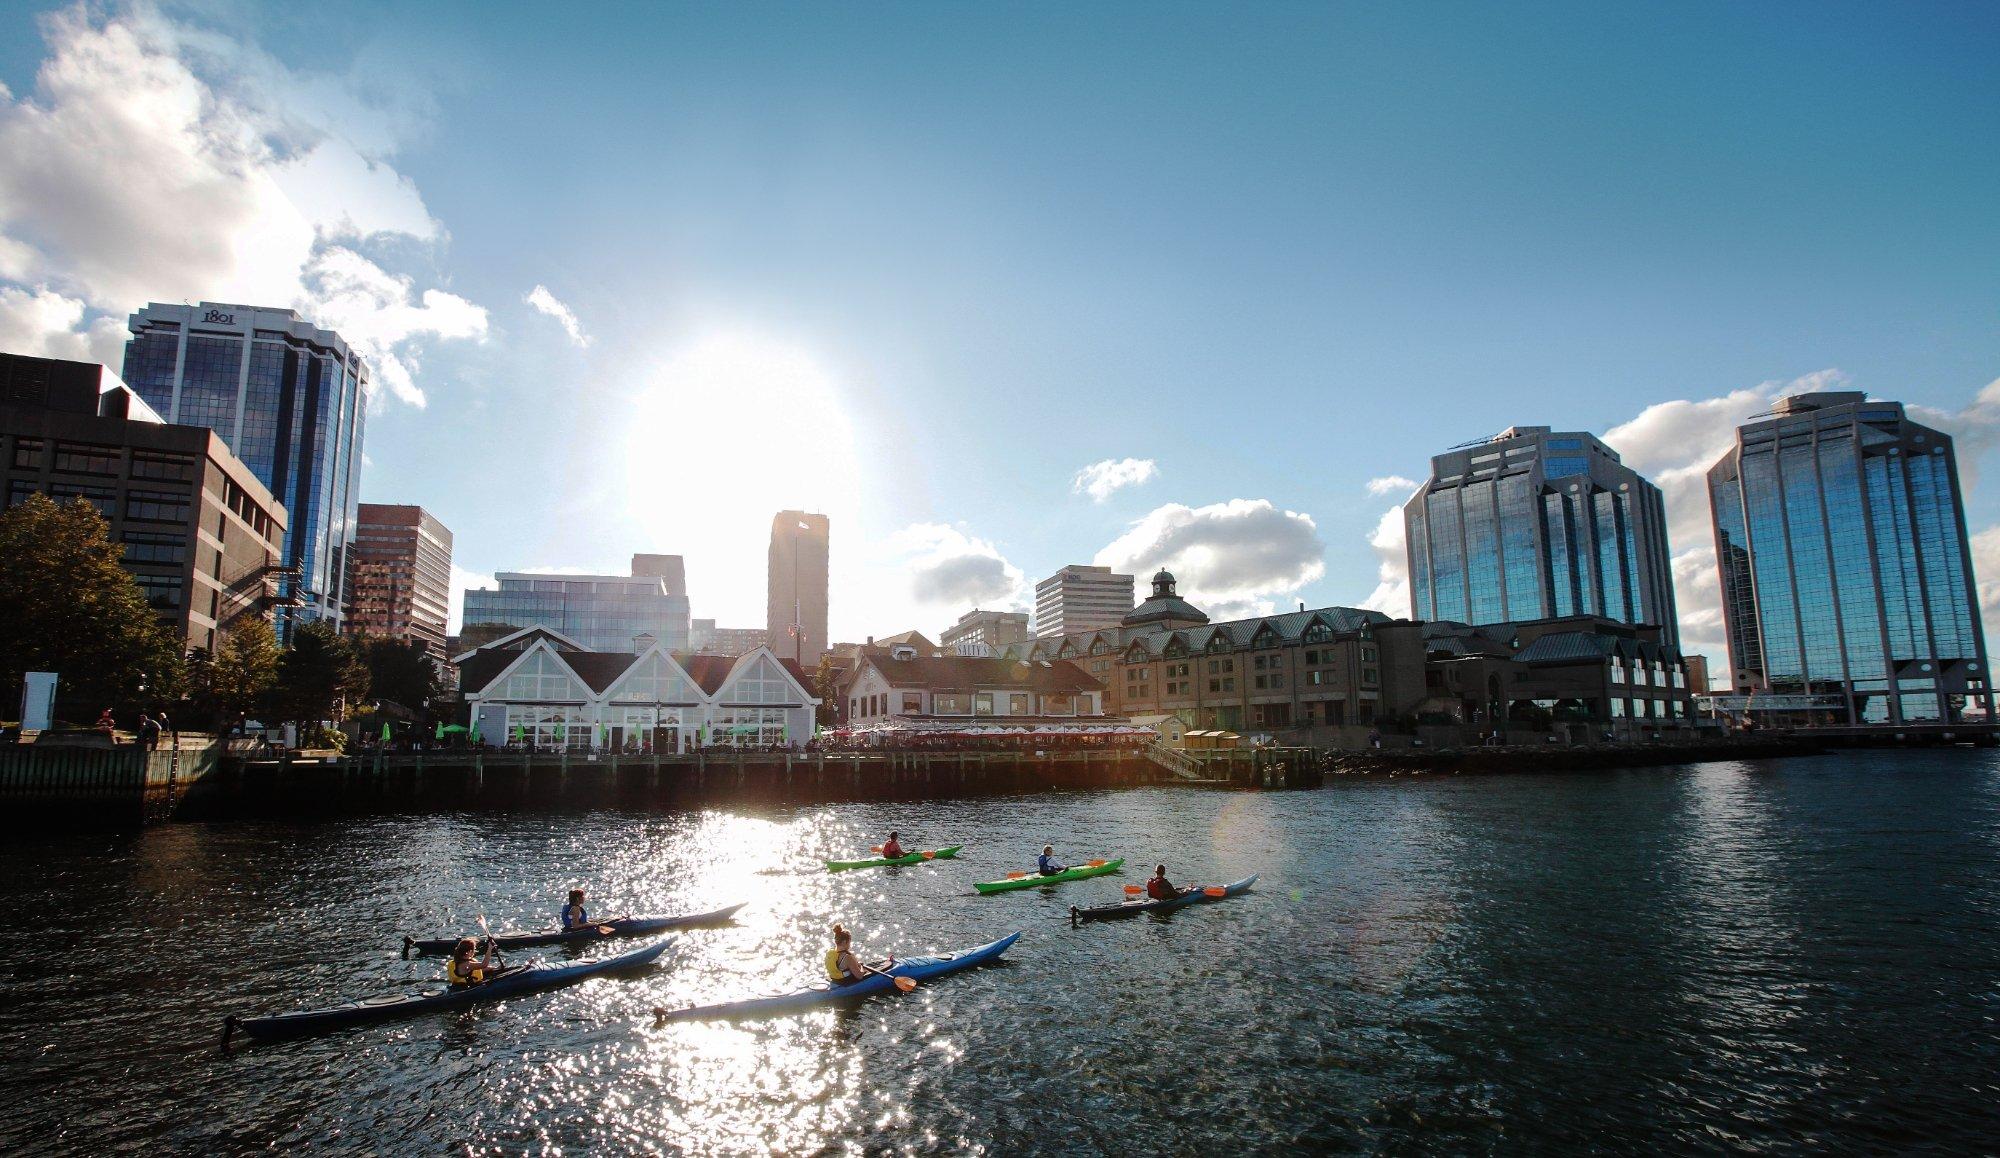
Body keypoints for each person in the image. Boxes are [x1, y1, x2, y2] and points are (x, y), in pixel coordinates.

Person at [824, 923, 890, 987]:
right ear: (844, 942)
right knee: (864, 971)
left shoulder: (830, 952)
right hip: (844, 982)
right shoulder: (847, 957)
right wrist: (861, 966)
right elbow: (860, 976)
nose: (850, 944)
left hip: (835, 980)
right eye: (849, 942)